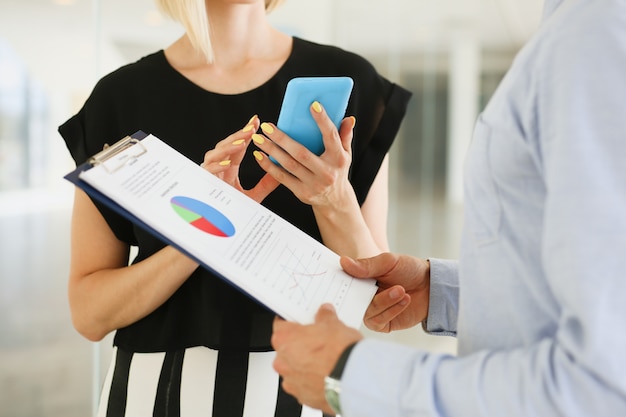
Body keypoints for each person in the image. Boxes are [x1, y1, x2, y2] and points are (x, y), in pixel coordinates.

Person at [270, 0, 626, 415]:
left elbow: (601, 388)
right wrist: (441, 292)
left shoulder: (595, 33)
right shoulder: (577, 30)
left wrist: (354, 376)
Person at [58, 0, 411, 416]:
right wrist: (207, 228)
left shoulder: (352, 84)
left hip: (301, 388)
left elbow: (374, 298)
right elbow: (89, 314)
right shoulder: (119, 98)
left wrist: (333, 197)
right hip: (155, 391)